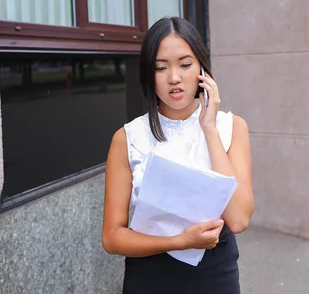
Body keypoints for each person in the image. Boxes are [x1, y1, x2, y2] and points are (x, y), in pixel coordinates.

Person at [102, 17, 254, 293]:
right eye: (161, 67)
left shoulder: (232, 127)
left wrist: (209, 129)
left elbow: (239, 219)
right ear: (149, 74)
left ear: (202, 70)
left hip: (215, 269)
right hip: (150, 271)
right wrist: (180, 241)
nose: (174, 77)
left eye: (185, 65)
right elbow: (112, 238)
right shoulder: (128, 137)